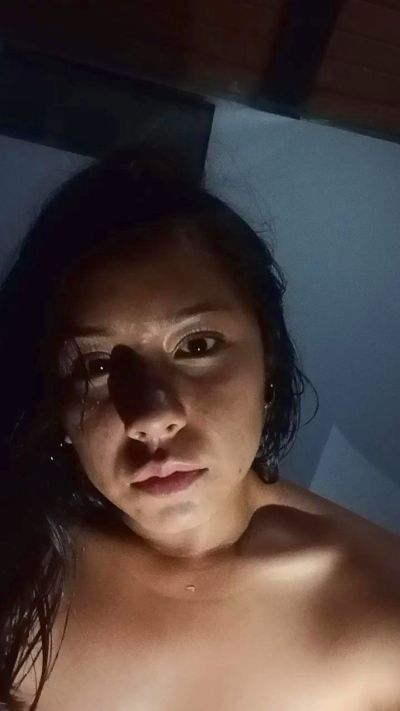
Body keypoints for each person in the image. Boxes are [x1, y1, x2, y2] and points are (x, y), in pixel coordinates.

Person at [0, 146, 399, 711]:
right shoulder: (20, 561)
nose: (150, 414)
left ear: (269, 363)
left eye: (197, 345)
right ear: (55, 404)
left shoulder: (380, 610)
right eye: (96, 366)